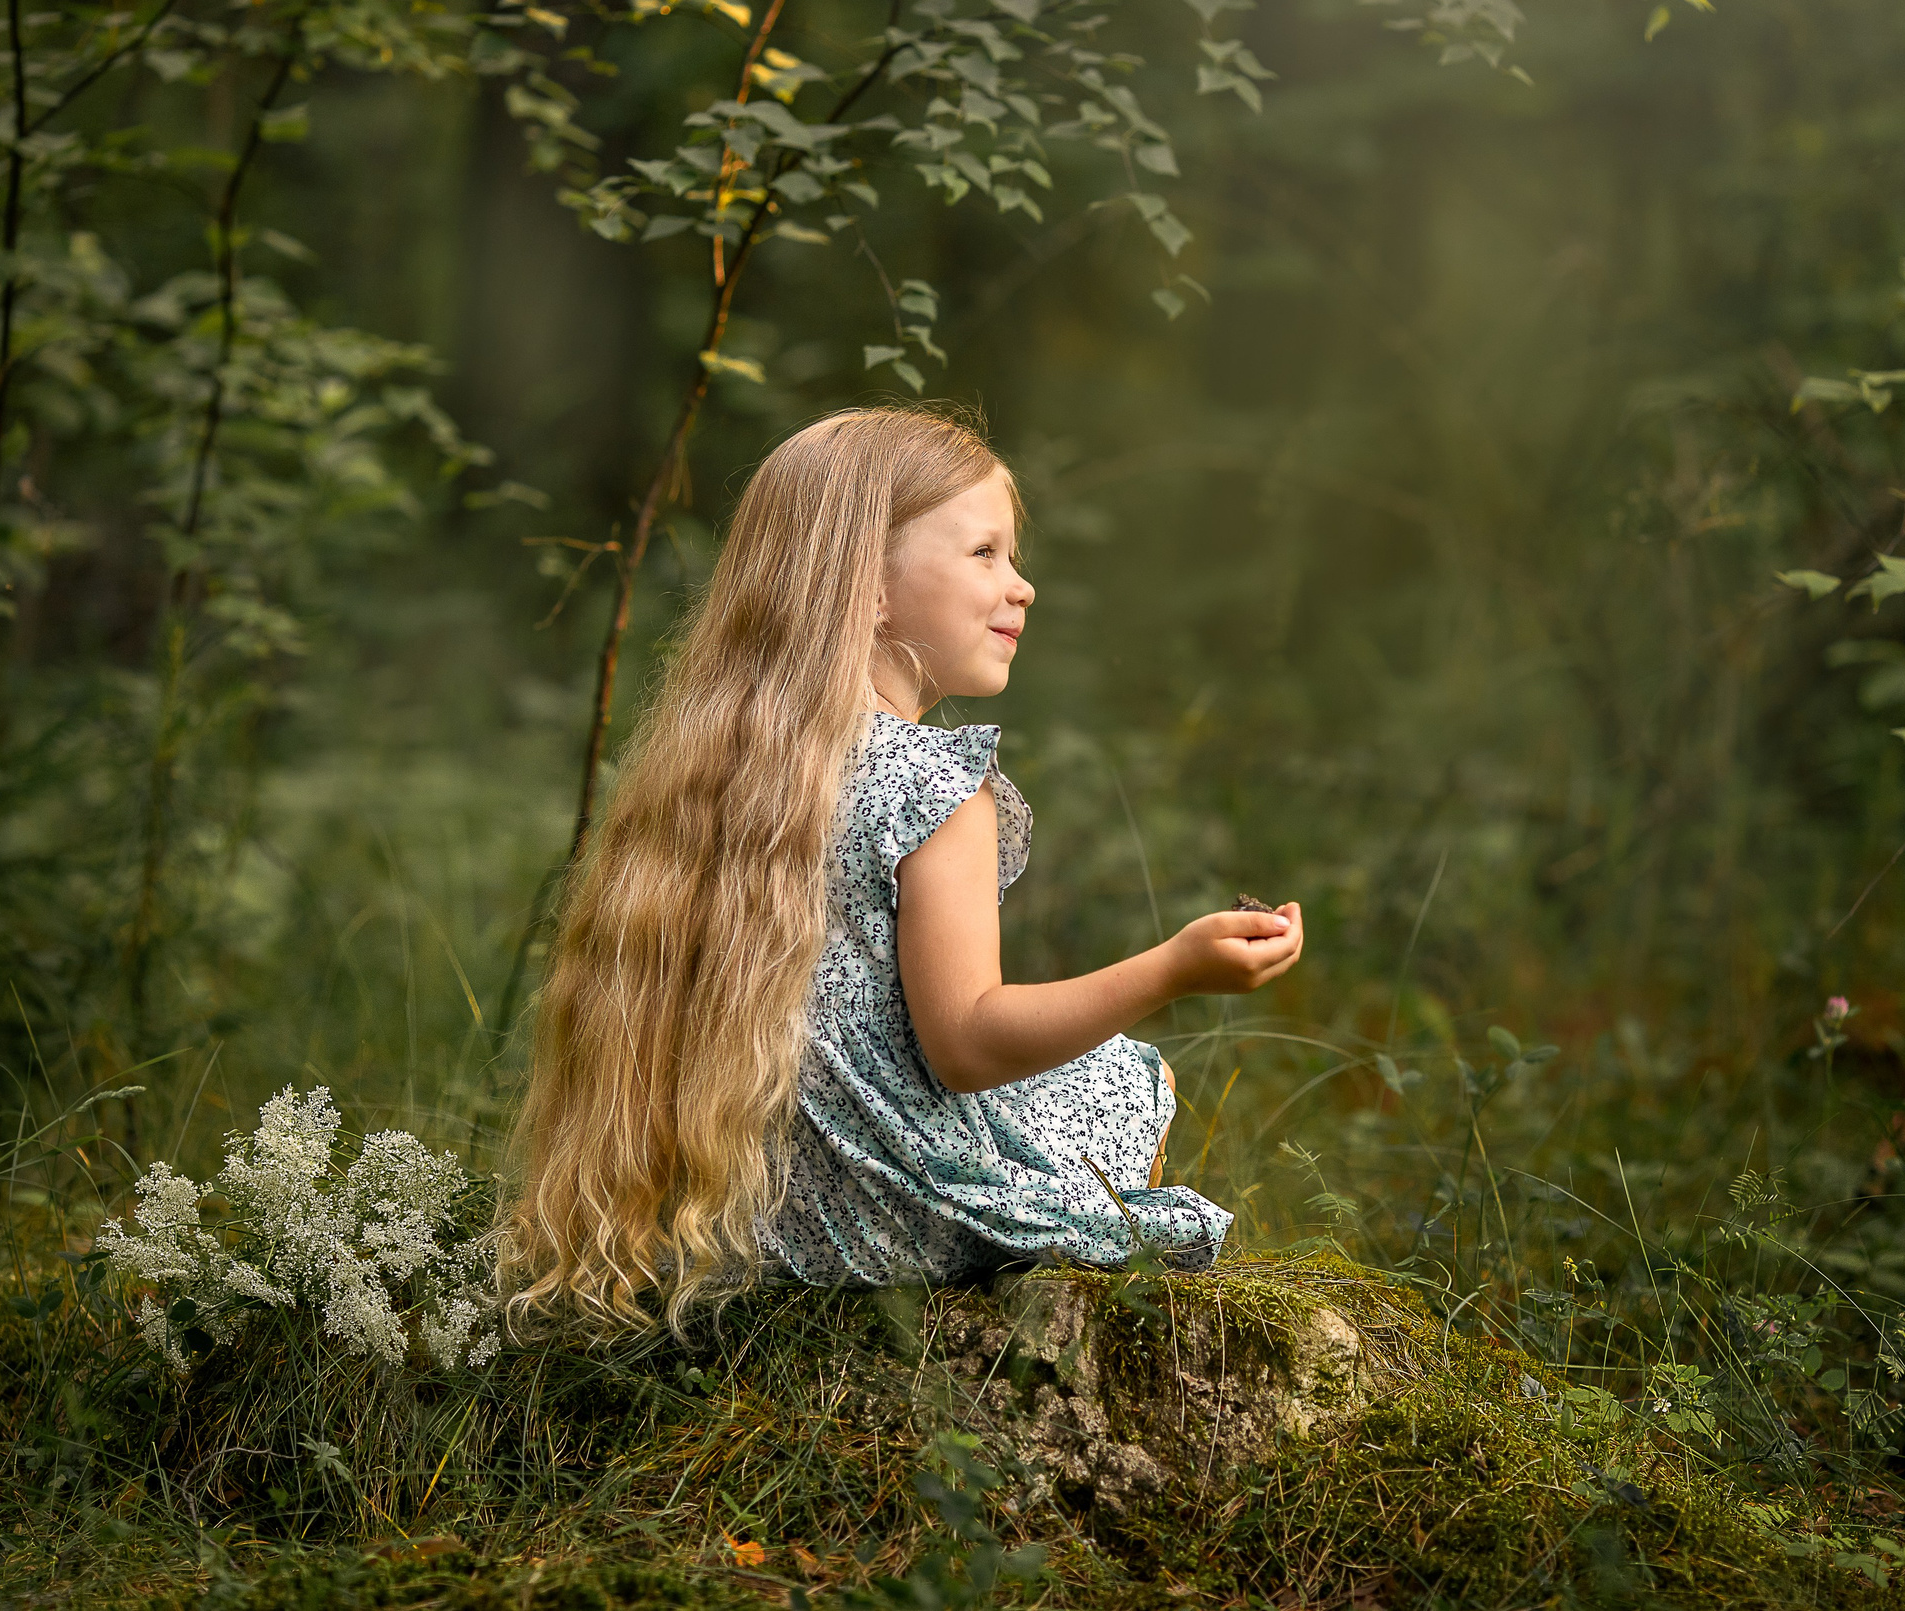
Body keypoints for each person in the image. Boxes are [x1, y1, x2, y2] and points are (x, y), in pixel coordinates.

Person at [499, 405, 1305, 1331]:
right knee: (1121, 1074)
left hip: (743, 1213)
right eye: (985, 555)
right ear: (869, 587)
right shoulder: (936, 784)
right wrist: (1174, 968)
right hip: (881, 1216)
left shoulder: (732, 772)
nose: (1024, 587)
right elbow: (966, 1044)